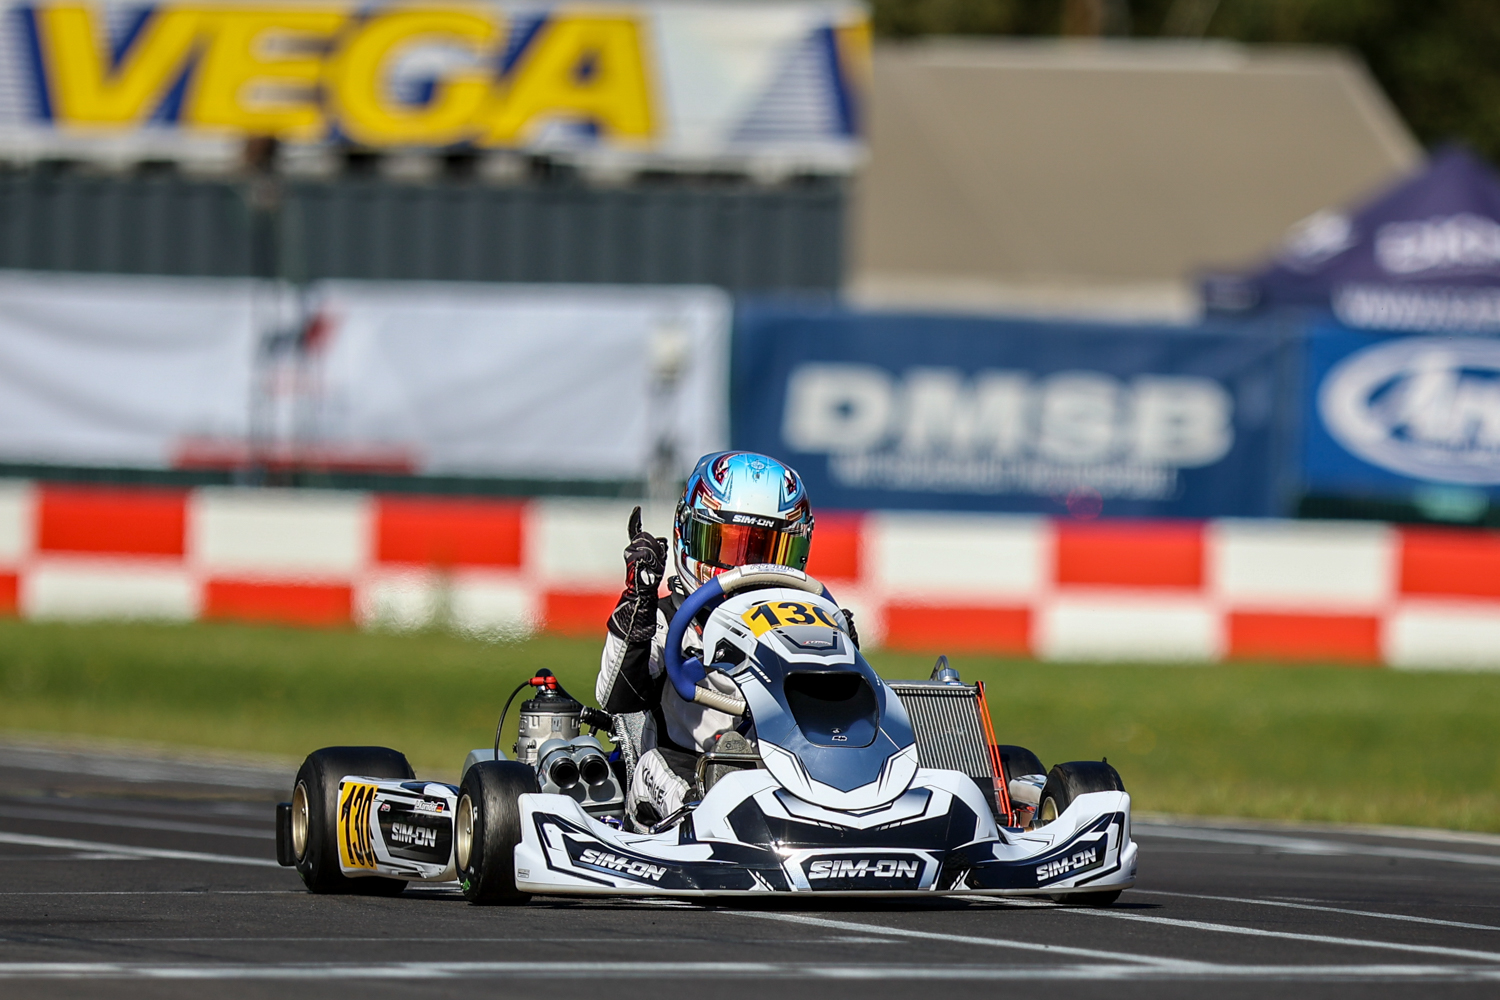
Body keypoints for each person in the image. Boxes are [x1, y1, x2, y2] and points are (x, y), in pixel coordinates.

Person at [596, 451, 857, 828]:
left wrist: (840, 648)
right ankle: (706, 816)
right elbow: (616, 698)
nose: (748, 567)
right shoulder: (665, 618)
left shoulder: (810, 622)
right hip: (688, 771)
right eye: (732, 546)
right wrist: (637, 613)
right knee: (666, 771)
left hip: (786, 773)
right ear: (690, 532)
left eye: (767, 551)